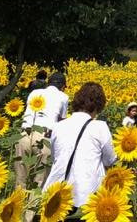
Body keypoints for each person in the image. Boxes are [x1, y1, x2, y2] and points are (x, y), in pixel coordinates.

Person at [42, 82, 116, 212]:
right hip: (86, 196)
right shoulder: (100, 127)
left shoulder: (59, 126)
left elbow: (55, 158)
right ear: (98, 106)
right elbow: (110, 160)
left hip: (57, 194)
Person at [15, 72, 69, 192]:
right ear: (63, 86)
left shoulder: (34, 93)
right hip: (45, 136)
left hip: (25, 133)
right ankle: (32, 209)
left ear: (48, 83)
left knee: (21, 177)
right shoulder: (63, 97)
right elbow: (61, 122)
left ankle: (18, 205)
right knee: (40, 180)